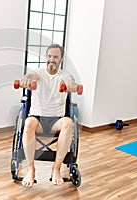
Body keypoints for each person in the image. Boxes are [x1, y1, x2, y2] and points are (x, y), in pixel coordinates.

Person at [19, 44, 83, 187]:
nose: (51, 59)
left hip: (56, 121)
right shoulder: (39, 73)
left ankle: (56, 169)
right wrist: (26, 78)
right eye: (49, 56)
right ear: (45, 57)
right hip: (38, 119)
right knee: (28, 123)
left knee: (68, 123)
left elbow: (70, 80)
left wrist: (72, 85)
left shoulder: (64, 75)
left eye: (55, 57)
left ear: (61, 59)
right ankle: (31, 169)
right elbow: (31, 75)